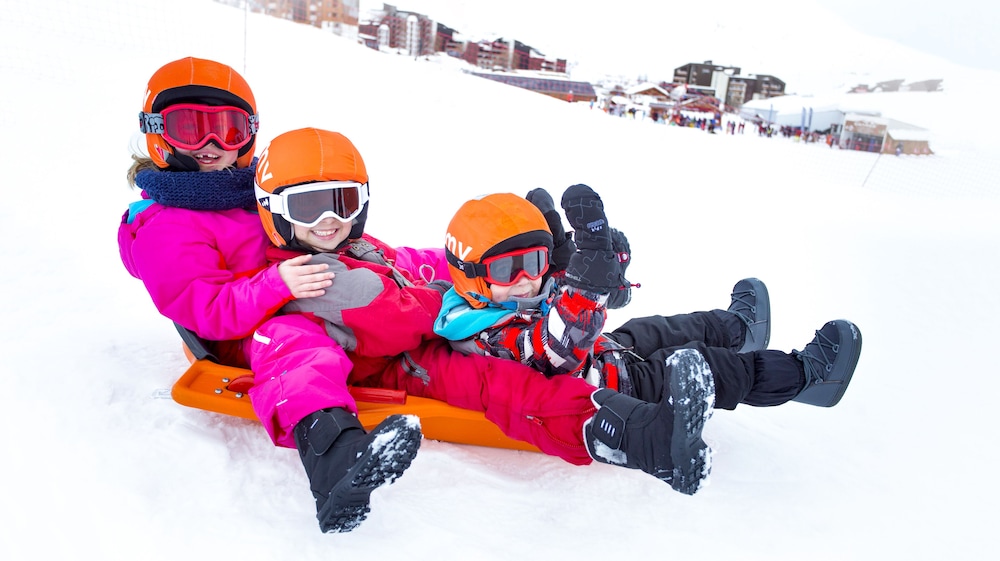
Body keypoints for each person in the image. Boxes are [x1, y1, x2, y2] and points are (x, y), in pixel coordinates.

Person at [252, 127, 719, 501]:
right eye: (307, 207)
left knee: (601, 341)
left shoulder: (357, 247)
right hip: (402, 361)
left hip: (428, 341)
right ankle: (641, 438)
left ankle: (726, 344)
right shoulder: (310, 277)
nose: (328, 220)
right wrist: (461, 297)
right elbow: (394, 319)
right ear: (273, 211)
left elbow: (414, 263)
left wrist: (485, 257)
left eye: (343, 203)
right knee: (505, 386)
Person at [119, 58, 424, 534]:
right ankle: (336, 459)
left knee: (374, 261)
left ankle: (481, 277)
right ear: (158, 132)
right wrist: (276, 285)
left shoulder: (252, 191)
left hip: (303, 289)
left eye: (229, 129)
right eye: (190, 128)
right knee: (296, 344)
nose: (212, 144)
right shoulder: (167, 227)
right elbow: (209, 311)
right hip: (250, 332)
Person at [433, 186, 863, 465]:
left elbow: (551, 297)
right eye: (508, 268)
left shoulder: (501, 294)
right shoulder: (481, 334)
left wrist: (570, 263)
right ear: (469, 274)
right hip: (616, 388)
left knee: (663, 328)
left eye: (535, 260)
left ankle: (738, 329)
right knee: (713, 368)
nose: (527, 278)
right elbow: (553, 350)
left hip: (607, 351)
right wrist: (586, 286)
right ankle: (805, 377)